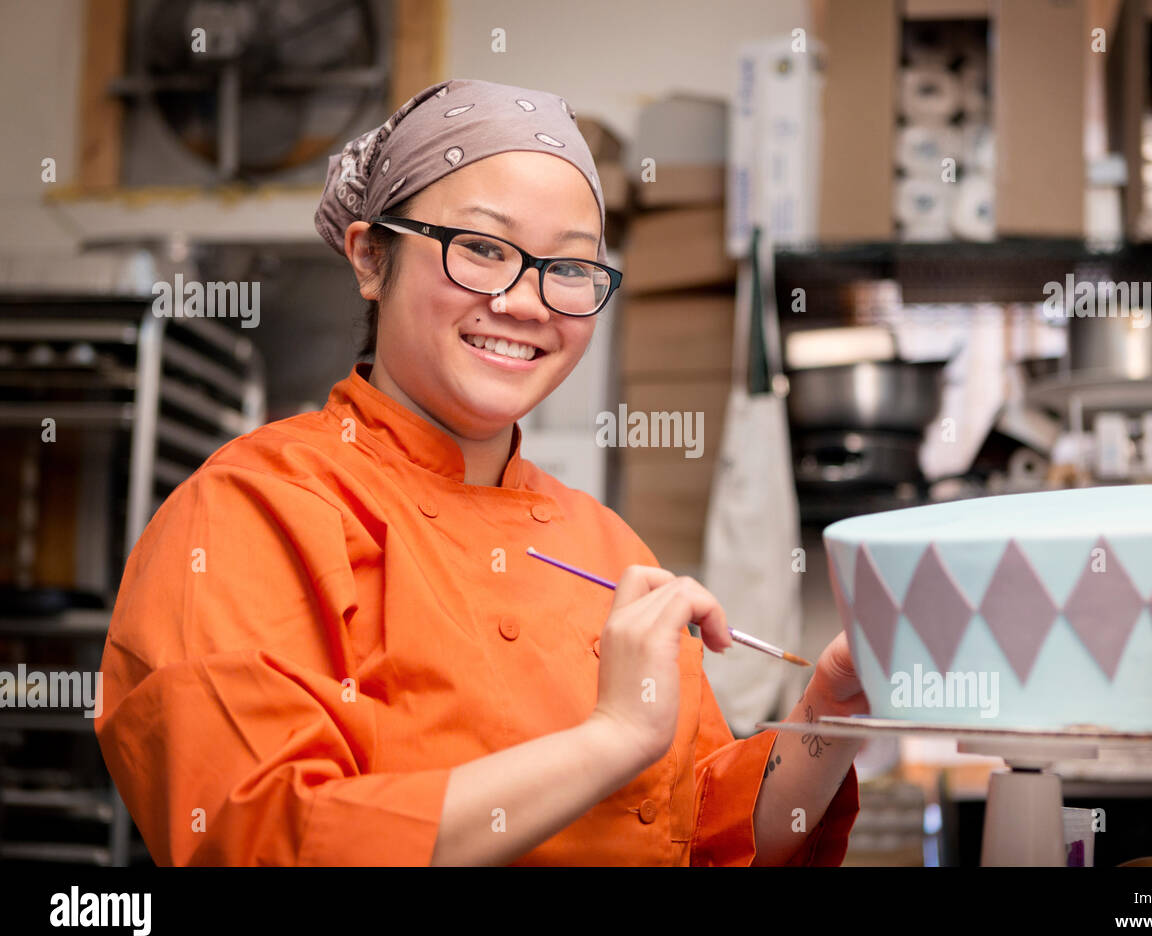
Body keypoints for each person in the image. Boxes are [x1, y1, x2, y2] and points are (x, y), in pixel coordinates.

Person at [94, 78, 863, 866]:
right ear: (370, 256)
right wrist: (611, 739)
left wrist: (828, 717)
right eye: (484, 249)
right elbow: (258, 839)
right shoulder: (250, 511)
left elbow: (709, 835)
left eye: (570, 269)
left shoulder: (605, 545)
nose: (527, 302)